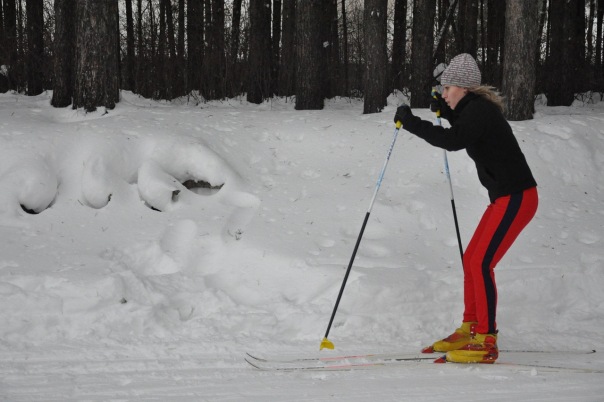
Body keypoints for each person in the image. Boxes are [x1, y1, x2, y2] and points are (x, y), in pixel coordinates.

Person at [393, 53, 538, 364]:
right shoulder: (475, 109)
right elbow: (465, 128)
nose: (444, 93)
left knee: (482, 263)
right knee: (472, 259)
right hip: (503, 197)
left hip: (517, 197)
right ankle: (470, 326)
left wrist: (411, 123)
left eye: (448, 89)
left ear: (464, 88)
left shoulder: (481, 111)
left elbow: (454, 140)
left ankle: (486, 338)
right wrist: (445, 110)